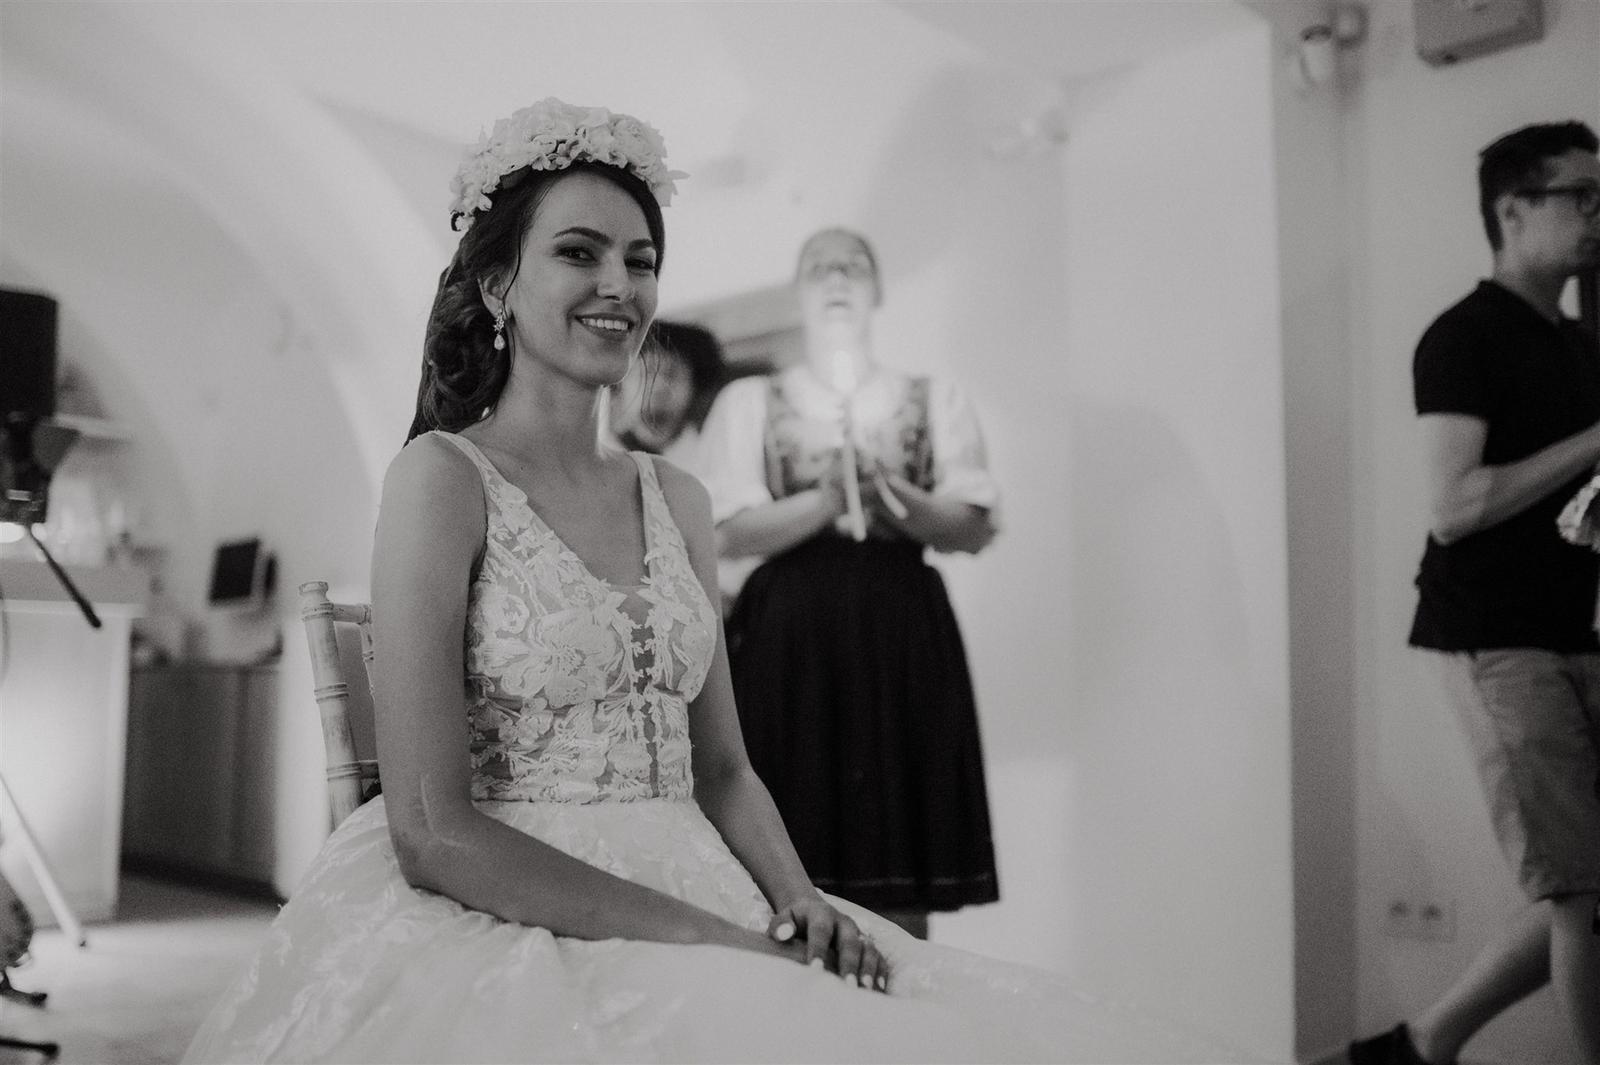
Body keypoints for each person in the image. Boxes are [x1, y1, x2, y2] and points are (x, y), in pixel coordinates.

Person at [180, 98, 1233, 1065]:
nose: (620, 285)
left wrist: (798, 901)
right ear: (497, 284)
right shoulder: (441, 479)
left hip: (704, 869)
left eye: (640, 261)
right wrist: (715, 941)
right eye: (580, 253)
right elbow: (432, 831)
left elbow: (722, 769)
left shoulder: (676, 495)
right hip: (506, 893)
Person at [1350, 121, 1600, 1065]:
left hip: (1574, 625)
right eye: (1579, 195)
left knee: (1585, 882)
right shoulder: (1461, 337)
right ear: (1512, 210)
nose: (1597, 213)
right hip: (1495, 634)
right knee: (1579, 887)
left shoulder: (1580, 345)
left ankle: (1423, 1043)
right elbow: (1454, 507)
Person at [696, 228, 1001, 940]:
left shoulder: (933, 397)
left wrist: (891, 492)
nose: (837, 278)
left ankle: (903, 982)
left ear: (877, 290)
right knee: (796, 810)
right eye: (820, 268)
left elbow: (971, 526)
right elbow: (728, 531)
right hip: (792, 632)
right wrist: (829, 499)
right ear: (800, 292)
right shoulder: (751, 401)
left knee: (899, 824)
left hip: (900, 628)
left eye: (853, 266)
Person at [605, 318, 725, 466]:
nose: (658, 387)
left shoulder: (716, 459)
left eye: (672, 375)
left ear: (694, 388)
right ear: (618, 387)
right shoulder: (591, 457)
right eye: (646, 373)